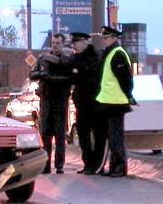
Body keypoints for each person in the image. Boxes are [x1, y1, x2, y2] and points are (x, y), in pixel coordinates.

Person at [29, 33, 72, 174]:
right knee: (46, 133)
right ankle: (46, 165)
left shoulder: (67, 60)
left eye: (58, 43)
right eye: (53, 42)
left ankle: (59, 165)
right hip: (46, 99)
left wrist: (55, 79)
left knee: (60, 134)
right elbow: (32, 74)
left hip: (60, 100)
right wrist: (42, 75)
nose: (55, 45)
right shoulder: (43, 59)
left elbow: (71, 78)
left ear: (63, 44)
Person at [96, 25, 135, 177]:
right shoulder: (110, 53)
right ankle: (114, 167)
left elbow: (126, 79)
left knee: (116, 136)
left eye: (106, 37)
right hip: (108, 102)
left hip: (116, 103)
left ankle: (119, 167)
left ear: (113, 38)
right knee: (112, 137)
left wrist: (128, 95)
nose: (104, 40)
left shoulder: (118, 54)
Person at [68, 32, 106, 174]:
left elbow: (92, 76)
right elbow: (72, 76)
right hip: (81, 102)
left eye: (76, 42)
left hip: (96, 101)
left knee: (98, 133)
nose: (74, 45)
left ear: (85, 42)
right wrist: (77, 72)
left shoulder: (96, 56)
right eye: (73, 43)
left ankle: (97, 164)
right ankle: (88, 163)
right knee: (83, 134)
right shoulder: (74, 58)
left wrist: (79, 72)